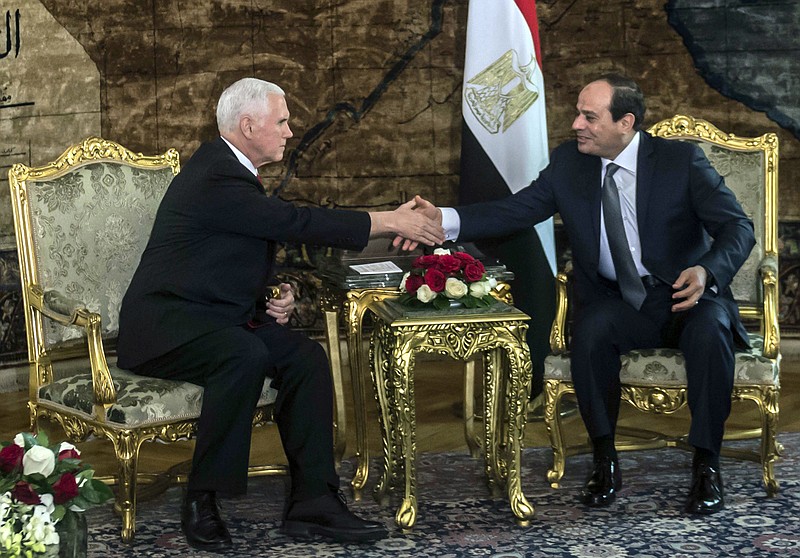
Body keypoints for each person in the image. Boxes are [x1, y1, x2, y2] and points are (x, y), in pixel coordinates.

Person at [116, 77, 445, 551]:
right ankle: (202, 498)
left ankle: (314, 501)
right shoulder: (215, 174)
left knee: (304, 357)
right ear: (248, 126)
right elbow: (291, 222)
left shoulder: (231, 171)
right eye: (283, 121)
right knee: (243, 354)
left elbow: (218, 259)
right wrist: (390, 220)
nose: (291, 132)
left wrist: (273, 293)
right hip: (164, 328)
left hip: (211, 319)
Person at [404, 73, 755, 515]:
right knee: (591, 330)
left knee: (709, 334)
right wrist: (445, 219)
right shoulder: (570, 163)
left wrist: (708, 270)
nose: (576, 124)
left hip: (684, 297)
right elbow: (517, 209)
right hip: (621, 302)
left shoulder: (680, 161)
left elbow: (738, 227)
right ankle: (604, 460)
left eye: (589, 116)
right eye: (578, 113)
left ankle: (707, 464)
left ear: (625, 122)